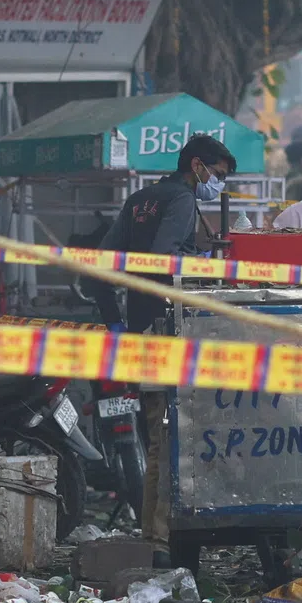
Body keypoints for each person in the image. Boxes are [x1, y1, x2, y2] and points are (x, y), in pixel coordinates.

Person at [93, 134, 237, 565]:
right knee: (172, 434)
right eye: (218, 175)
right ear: (198, 166)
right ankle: (161, 539)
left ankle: (153, 534)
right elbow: (164, 260)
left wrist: (114, 319)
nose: (218, 185)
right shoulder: (181, 201)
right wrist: (206, 264)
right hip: (169, 328)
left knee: (158, 433)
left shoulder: (139, 199)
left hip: (140, 325)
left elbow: (100, 264)